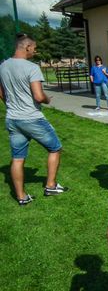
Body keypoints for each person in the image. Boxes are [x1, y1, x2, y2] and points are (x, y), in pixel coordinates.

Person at [0, 33, 68, 206]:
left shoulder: (3, 66)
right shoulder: (32, 68)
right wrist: (47, 99)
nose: (35, 52)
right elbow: (38, 96)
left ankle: (22, 197)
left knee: (17, 158)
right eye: (34, 48)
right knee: (55, 148)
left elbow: (1, 93)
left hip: (13, 118)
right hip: (31, 118)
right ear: (27, 47)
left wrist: (11, 105)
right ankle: (51, 185)